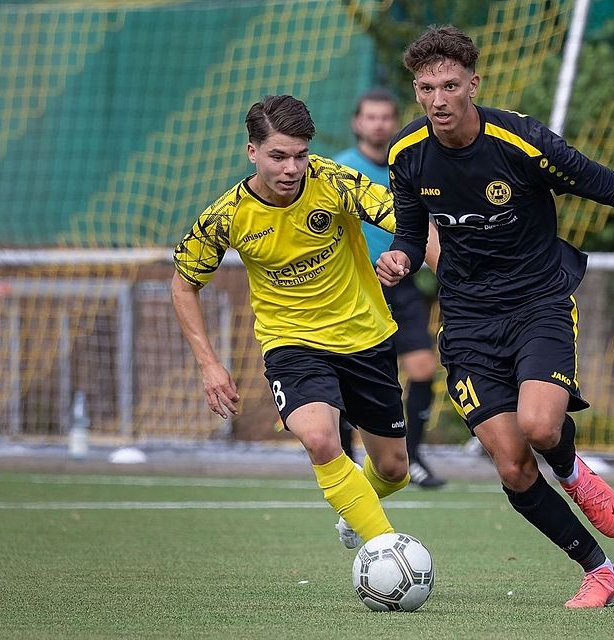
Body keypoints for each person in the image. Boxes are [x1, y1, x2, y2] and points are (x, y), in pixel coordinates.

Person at [377, 26, 614, 608]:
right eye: (426, 88)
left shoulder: (522, 142)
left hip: (538, 303)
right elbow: (413, 236)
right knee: (511, 464)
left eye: (450, 86)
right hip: (465, 319)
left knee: (539, 429)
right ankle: (599, 570)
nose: (438, 100)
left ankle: (569, 467)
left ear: (473, 85)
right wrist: (400, 258)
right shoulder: (407, 155)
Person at [172, 95, 436, 551]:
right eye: (278, 156)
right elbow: (182, 284)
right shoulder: (228, 215)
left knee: (394, 470)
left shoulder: (333, 181)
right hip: (292, 345)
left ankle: (357, 510)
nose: (291, 168)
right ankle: (389, 552)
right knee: (318, 437)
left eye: (300, 155)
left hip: (365, 338)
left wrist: (406, 255)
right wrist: (208, 364)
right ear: (252, 151)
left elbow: (408, 221)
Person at [333, 88, 445, 489]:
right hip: (355, 289)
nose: (378, 124)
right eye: (371, 117)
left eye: (386, 117)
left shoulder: (408, 165)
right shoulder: (339, 170)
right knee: (350, 376)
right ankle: (346, 464)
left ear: (395, 122)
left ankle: (413, 458)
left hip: (403, 285)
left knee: (422, 368)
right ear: (357, 122)